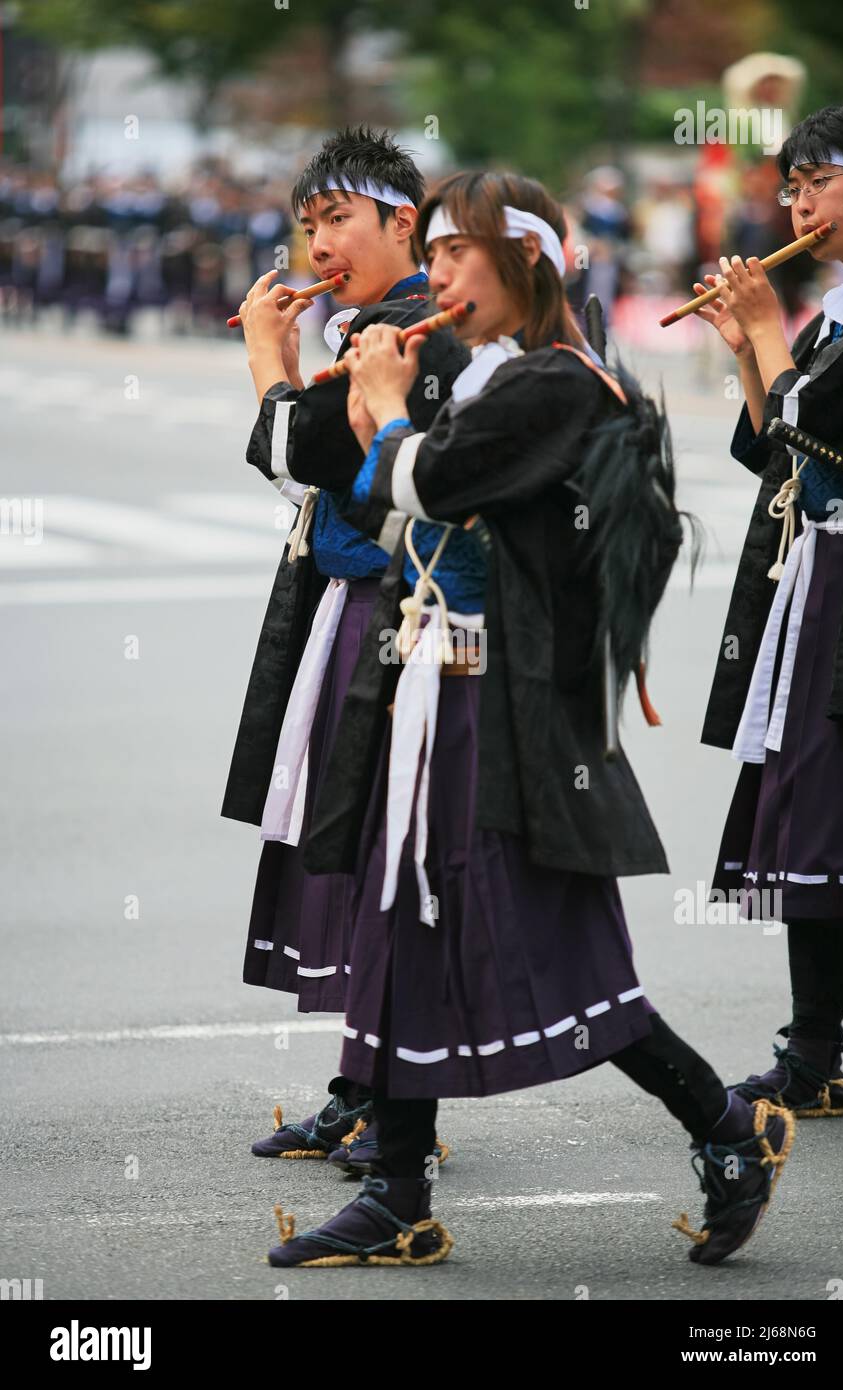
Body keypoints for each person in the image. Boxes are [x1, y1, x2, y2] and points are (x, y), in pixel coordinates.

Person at [266, 171, 796, 1272]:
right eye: (441, 253)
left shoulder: (557, 382)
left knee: (554, 949)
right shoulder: (487, 371)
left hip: (506, 709)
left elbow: (425, 480)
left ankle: (725, 1125)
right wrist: (351, 401)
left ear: (525, 266)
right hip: (431, 684)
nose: (441, 275)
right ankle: (399, 1197)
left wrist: (379, 406)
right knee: (396, 923)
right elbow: (362, 484)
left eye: (459, 254)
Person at [221, 127, 468, 1170]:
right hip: (348, 609)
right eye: (307, 222)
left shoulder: (422, 325)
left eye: (337, 219)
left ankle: (395, 1109)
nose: (317, 241)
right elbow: (310, 474)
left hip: (398, 620)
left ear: (399, 221)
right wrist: (292, 376)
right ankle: (360, 1088)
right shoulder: (374, 322)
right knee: (342, 849)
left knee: (379, 853)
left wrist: (270, 366)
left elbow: (307, 452)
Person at [696, 103, 843, 1118]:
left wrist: (765, 331)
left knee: (841, 812)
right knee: (813, 813)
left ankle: (811, 1050)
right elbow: (778, 447)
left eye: (819, 183)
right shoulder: (838, 310)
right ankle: (811, 1051)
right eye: (789, 187)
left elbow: (823, 422)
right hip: (824, 579)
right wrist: (744, 346)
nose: (796, 204)